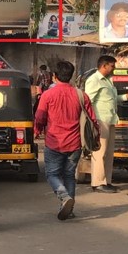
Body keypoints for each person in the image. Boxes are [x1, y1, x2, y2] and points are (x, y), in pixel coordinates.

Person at [35, 61, 98, 221]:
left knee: (52, 174)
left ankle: (64, 197)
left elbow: (40, 117)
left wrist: (36, 131)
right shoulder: (81, 95)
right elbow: (92, 118)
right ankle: (69, 208)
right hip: (75, 143)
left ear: (54, 77)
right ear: (71, 76)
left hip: (54, 142)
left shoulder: (47, 95)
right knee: (69, 175)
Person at [85, 55, 128, 193]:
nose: (113, 69)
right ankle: (97, 183)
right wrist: (92, 122)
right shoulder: (94, 80)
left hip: (110, 119)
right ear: (104, 66)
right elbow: (87, 102)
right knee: (99, 153)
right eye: (112, 66)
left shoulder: (108, 81)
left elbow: (112, 99)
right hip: (100, 121)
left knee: (108, 153)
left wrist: (126, 97)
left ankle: (106, 181)